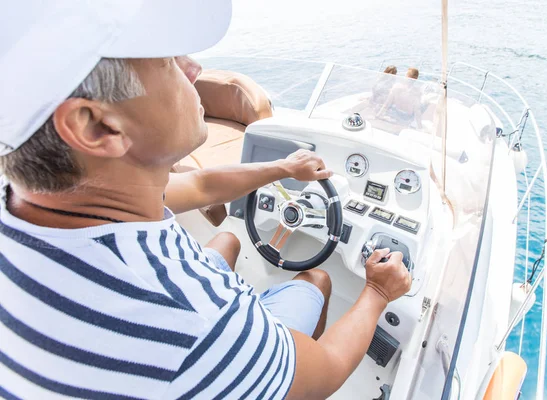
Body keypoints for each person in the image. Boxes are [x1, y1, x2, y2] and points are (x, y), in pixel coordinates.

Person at [0, 2, 412, 399]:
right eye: (166, 60)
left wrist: (283, 168)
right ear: (95, 126)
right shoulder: (194, 327)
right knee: (317, 280)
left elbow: (200, 187)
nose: (194, 68)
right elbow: (322, 373)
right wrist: (377, 289)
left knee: (230, 241)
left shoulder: (59, 196)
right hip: (226, 349)